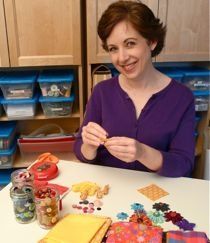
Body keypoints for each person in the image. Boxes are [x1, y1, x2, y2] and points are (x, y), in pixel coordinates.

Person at [74, 0, 195, 177]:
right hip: (108, 192)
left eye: (130, 43)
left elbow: (184, 164)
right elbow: (80, 150)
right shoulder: (101, 92)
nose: (122, 57)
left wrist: (143, 153)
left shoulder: (182, 97)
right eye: (113, 48)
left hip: (157, 196)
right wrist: (89, 146)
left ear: (152, 42)